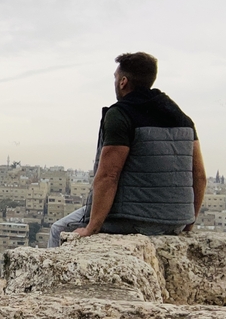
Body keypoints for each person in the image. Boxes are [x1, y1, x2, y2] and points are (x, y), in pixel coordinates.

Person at [48, 52, 207, 248]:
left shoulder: (120, 114)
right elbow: (199, 176)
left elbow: (108, 175)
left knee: (58, 229)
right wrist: (188, 221)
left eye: (116, 78)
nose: (115, 82)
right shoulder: (182, 118)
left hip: (133, 219)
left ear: (123, 82)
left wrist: (92, 227)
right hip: (176, 222)